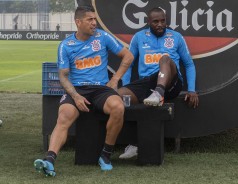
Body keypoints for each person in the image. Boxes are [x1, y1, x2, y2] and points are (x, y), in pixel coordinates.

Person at [33, 6, 133, 175]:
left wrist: (115, 79)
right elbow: (63, 76)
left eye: (95, 19)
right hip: (77, 89)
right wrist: (75, 96)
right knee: (64, 115)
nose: (94, 23)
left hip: (101, 89)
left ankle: (106, 155)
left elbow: (128, 56)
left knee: (118, 107)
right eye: (90, 20)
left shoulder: (103, 36)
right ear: (78, 22)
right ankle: (49, 160)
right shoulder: (65, 45)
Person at [118, 7, 199, 159]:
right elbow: (128, 63)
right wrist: (126, 85)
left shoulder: (176, 37)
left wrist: (192, 89)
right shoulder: (139, 37)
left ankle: (158, 93)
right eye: (156, 21)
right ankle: (134, 144)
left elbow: (189, 64)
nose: (160, 24)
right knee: (118, 97)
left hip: (171, 84)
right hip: (147, 83)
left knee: (165, 59)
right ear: (149, 22)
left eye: (163, 21)